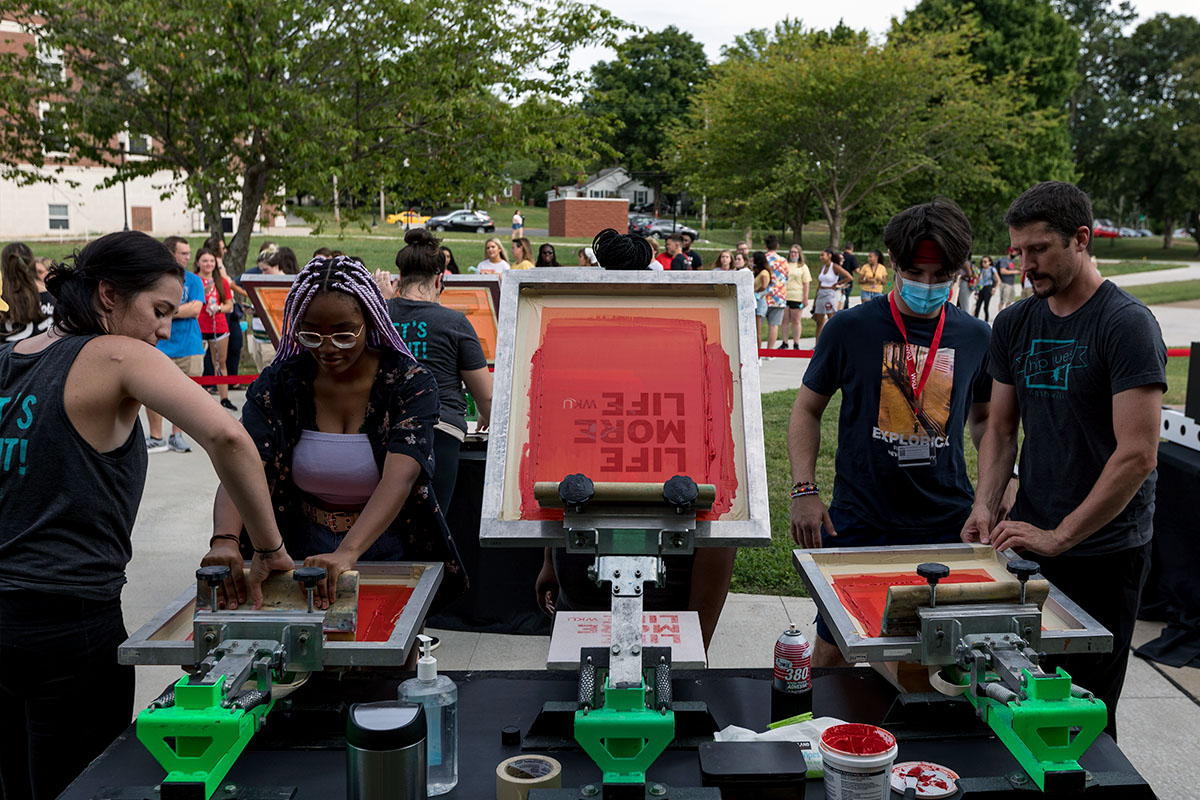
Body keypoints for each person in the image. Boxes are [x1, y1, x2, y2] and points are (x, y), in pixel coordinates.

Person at [0, 230, 292, 800]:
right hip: (68, 624)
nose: (166, 327)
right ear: (108, 294)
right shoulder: (115, 354)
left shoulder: (8, 358)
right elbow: (230, 437)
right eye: (159, 310)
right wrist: (272, 549)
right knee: (82, 787)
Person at [962, 181, 1166, 741]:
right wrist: (985, 504)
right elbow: (1001, 429)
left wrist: (1062, 536)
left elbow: (1138, 454)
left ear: (1081, 239)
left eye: (1039, 250)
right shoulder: (1016, 323)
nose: (1025, 265)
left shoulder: (1125, 324)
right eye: (1017, 252)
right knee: (1019, 696)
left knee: (1084, 718)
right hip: (1030, 543)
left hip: (1104, 550)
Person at [789, 198, 996, 669]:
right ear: (894, 266)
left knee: (937, 653)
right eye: (915, 272)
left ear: (961, 271)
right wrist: (804, 488)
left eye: (940, 274)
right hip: (860, 518)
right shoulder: (850, 328)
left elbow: (985, 422)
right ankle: (814, 734)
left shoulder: (978, 337)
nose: (927, 285)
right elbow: (806, 410)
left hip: (946, 519)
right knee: (834, 646)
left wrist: (997, 487)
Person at [201, 255, 468, 609]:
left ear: (370, 321)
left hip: (384, 542)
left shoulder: (409, 383)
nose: (326, 348)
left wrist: (347, 552)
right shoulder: (283, 382)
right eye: (310, 333)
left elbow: (400, 478)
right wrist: (225, 540)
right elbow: (245, 464)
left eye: (344, 334)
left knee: (382, 647)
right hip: (293, 538)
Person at [385, 230, 493, 510]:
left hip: (384, 430)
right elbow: (488, 397)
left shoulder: (380, 315)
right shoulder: (455, 323)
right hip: (441, 431)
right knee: (433, 527)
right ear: (439, 278)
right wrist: (483, 411)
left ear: (400, 277)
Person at [145, 237, 206, 453]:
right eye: (184, 253)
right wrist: (179, 309)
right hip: (160, 344)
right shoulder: (154, 279)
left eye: (189, 253)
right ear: (171, 253)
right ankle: (155, 436)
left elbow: (196, 309)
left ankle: (177, 435)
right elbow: (148, 307)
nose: (189, 258)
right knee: (151, 390)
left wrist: (166, 310)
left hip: (189, 345)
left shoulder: (194, 280)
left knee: (184, 394)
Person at [194, 247, 237, 410]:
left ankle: (224, 398)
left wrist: (218, 308)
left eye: (212, 261)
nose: (208, 264)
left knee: (220, 362)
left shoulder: (222, 281)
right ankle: (196, 398)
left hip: (218, 326)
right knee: (198, 365)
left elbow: (229, 305)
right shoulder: (194, 280)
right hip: (198, 327)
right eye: (205, 260)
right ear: (198, 262)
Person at [204, 235, 244, 383]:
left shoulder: (220, 263)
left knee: (235, 343)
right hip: (215, 310)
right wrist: (218, 262)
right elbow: (226, 281)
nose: (225, 250)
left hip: (226, 308)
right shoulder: (215, 265)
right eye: (222, 248)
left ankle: (232, 379)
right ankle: (211, 381)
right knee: (213, 350)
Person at [0, 242, 48, 342]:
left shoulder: (2, 300)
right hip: (48, 356)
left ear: (4, 266)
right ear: (32, 263)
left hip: (7, 356)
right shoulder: (52, 297)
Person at [812, 248, 852, 345]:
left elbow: (849, 277)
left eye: (823, 255)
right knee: (819, 321)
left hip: (830, 293)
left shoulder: (834, 267)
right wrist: (814, 300)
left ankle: (835, 343)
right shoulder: (822, 268)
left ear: (829, 255)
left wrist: (837, 284)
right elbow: (819, 284)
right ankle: (818, 345)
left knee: (831, 319)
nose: (821, 257)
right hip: (821, 292)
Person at [782, 244, 811, 349]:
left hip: (797, 296)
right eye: (791, 252)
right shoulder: (785, 265)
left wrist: (805, 297)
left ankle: (796, 342)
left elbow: (806, 283)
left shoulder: (803, 267)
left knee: (796, 320)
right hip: (785, 295)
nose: (793, 254)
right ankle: (785, 342)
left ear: (799, 254)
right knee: (785, 320)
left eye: (795, 252)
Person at [763, 235, 789, 350]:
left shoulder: (763, 259)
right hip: (779, 296)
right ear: (777, 245)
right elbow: (786, 277)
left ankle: (757, 352)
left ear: (765, 245)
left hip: (763, 295)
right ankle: (770, 351)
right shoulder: (783, 261)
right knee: (773, 325)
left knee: (757, 325)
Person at [752, 251, 770, 350]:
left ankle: (758, 354)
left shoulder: (764, 273)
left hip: (760, 301)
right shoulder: (759, 271)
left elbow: (764, 286)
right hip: (757, 301)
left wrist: (755, 291)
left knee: (757, 330)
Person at [973, 255, 998, 322]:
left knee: (985, 307)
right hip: (981, 289)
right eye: (982, 261)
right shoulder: (980, 270)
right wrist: (976, 293)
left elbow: (999, 280)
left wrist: (994, 289)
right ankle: (975, 321)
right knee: (978, 306)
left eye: (985, 261)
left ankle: (986, 321)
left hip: (988, 288)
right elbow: (978, 282)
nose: (983, 263)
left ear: (989, 262)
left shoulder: (992, 269)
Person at [840, 243, 859, 308]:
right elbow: (857, 270)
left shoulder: (840, 256)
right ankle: (844, 311)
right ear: (851, 248)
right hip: (848, 280)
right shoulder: (852, 257)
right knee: (845, 297)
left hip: (839, 279)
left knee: (840, 297)